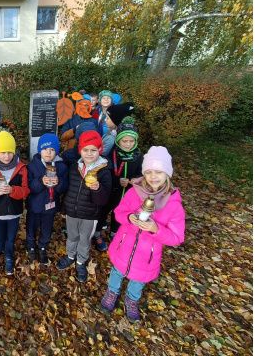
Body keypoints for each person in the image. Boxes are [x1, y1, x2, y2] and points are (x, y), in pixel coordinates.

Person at [100, 146, 185, 322]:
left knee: (139, 278)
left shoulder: (173, 204)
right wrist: (129, 217)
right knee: (117, 271)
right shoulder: (134, 192)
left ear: (167, 174)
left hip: (147, 255)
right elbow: (119, 212)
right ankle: (112, 291)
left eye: (159, 172)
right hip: (124, 245)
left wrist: (156, 229)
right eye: (149, 172)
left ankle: (132, 299)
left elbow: (177, 237)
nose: (153, 177)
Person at [56, 131, 112, 282]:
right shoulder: (75, 167)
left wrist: (98, 189)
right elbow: (68, 190)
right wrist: (64, 208)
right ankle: (70, 256)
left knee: (84, 239)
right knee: (72, 236)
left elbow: (103, 200)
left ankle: (81, 261)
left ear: (100, 150)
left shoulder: (104, 171)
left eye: (93, 150)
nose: (89, 153)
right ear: (80, 150)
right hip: (72, 212)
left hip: (90, 215)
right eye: (85, 150)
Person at [93, 116, 142, 251]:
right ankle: (97, 233)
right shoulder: (112, 154)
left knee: (121, 213)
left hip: (129, 194)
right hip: (111, 192)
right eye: (124, 141)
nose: (128, 144)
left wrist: (137, 179)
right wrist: (117, 180)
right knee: (104, 211)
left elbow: (142, 173)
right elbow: (105, 172)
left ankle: (115, 232)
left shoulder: (139, 157)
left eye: (131, 141)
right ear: (118, 140)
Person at [0, 131, 30, 275]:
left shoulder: (22, 168)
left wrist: (12, 190)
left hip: (14, 212)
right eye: (3, 152)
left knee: (11, 238)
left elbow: (26, 190)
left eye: (10, 152)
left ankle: (8, 257)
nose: (7, 156)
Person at [26, 134, 68, 266]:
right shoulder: (32, 166)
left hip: (51, 205)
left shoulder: (61, 167)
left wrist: (59, 183)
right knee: (31, 227)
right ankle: (30, 247)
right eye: (45, 149)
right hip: (34, 205)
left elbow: (65, 187)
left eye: (52, 149)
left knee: (47, 228)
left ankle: (42, 247)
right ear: (40, 150)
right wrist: (40, 181)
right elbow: (28, 186)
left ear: (57, 151)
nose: (48, 153)